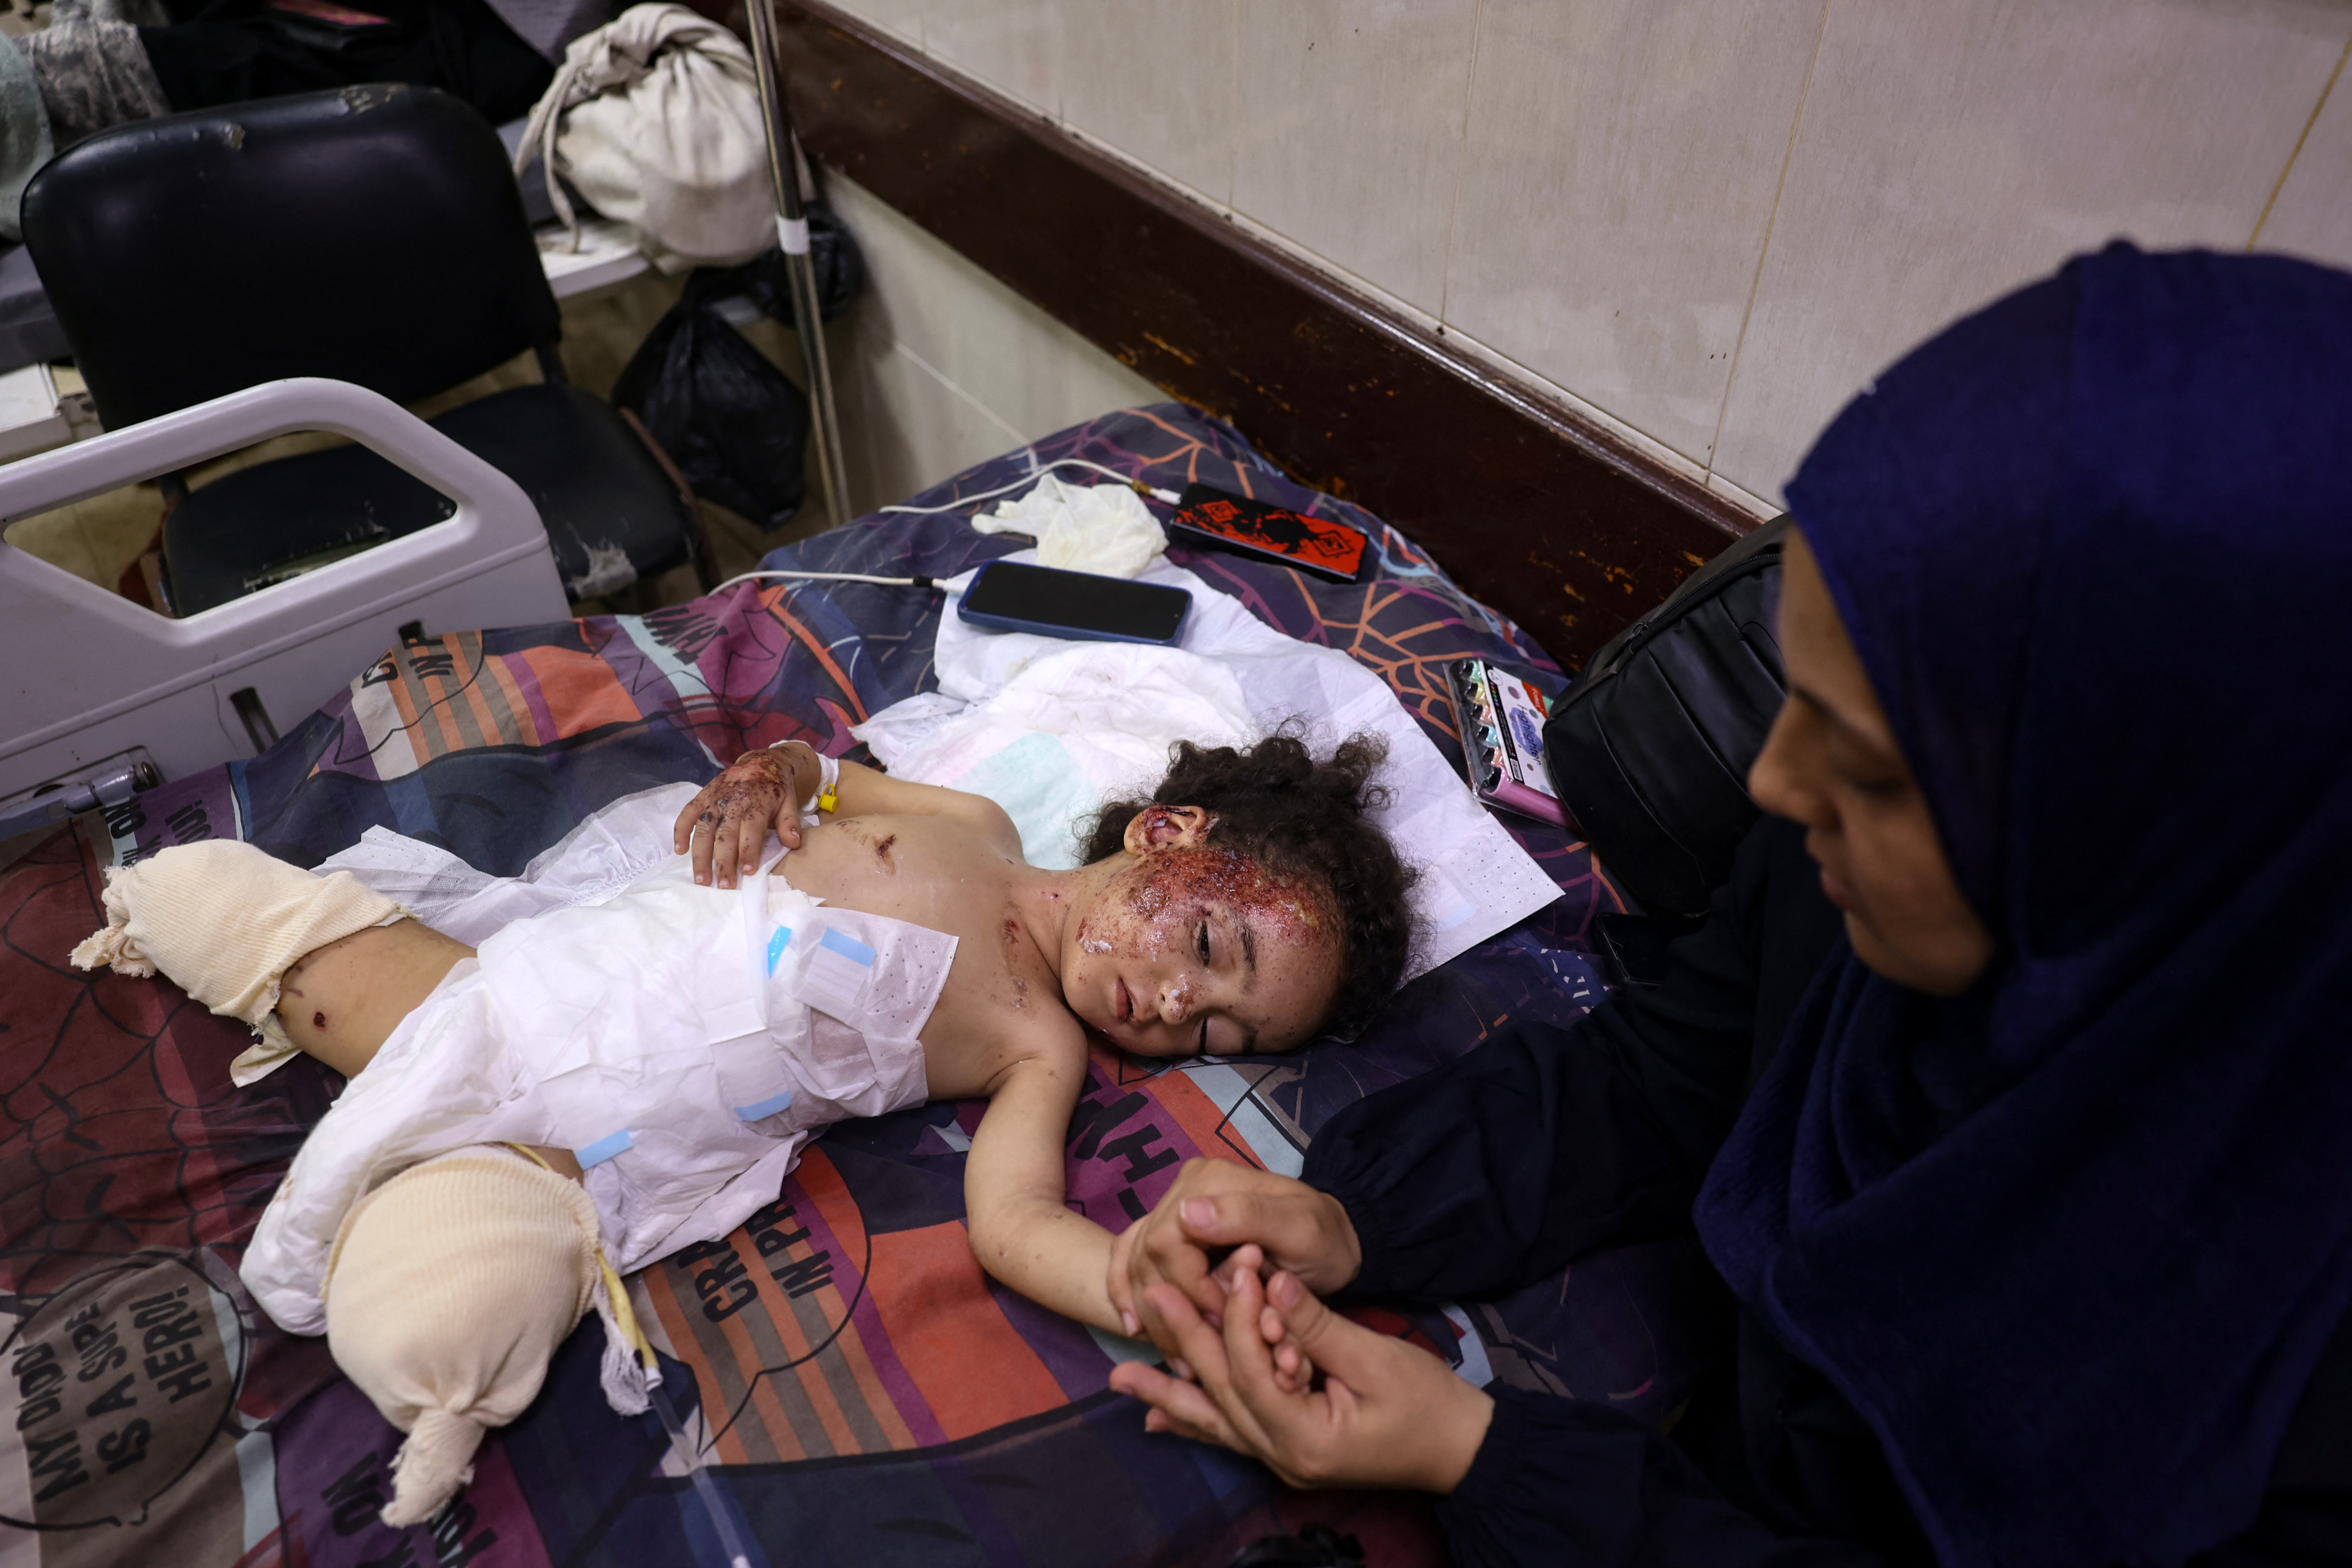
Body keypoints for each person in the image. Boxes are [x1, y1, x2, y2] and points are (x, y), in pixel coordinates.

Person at [1105, 243, 2352, 1568]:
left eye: (1869, 768)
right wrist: (1362, 1219)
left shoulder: (2298, 1375)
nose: (1774, 779)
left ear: (2136, 832)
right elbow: (1664, 1077)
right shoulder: (1849, 896)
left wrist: (1477, 1454)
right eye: (1797, 700)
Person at [72, 731, 1411, 1523]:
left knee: (463, 1275)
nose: (1179, 1005)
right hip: (587, 971)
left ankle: (439, 1354)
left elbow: (1012, 1222)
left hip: (636, 1132)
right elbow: (823, 784)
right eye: (1212, 946)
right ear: (1169, 831)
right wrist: (777, 774)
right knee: (301, 958)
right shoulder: (981, 826)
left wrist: (1127, 1277)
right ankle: (175, 914)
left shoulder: (1039, 1043)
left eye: (1225, 1035)